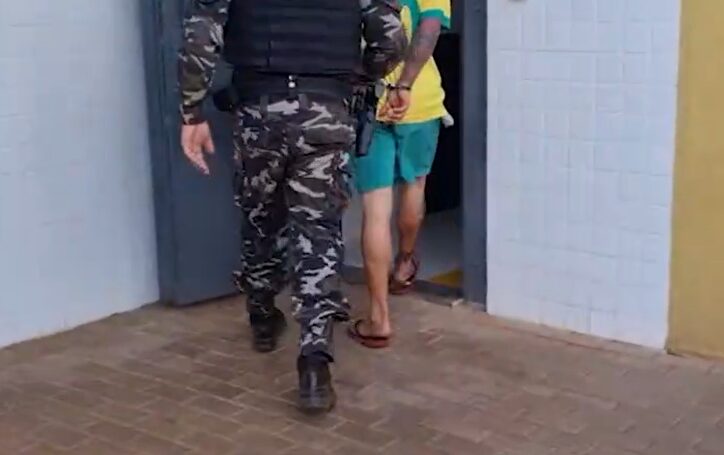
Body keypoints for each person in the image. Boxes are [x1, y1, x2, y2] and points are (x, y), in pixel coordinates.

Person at [177, 0, 406, 414]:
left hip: (258, 112)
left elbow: (200, 36)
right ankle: (315, 365)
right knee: (318, 233)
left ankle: (263, 318)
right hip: (326, 112)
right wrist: (362, 73)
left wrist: (192, 111)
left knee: (260, 218)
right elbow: (391, 39)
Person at [348, 0, 451, 349]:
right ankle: (404, 265)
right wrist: (404, 85)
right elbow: (430, 28)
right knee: (415, 186)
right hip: (420, 102)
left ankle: (379, 319)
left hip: (369, 103)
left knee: (376, 210)